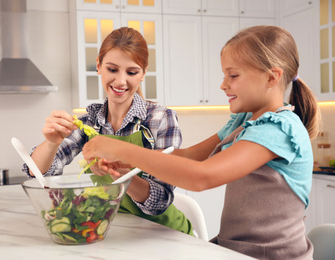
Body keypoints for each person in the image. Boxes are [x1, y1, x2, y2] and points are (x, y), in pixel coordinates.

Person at [82, 25, 321, 259]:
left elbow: (201, 177)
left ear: (272, 77)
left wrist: (118, 147)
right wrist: (126, 163)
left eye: (233, 75)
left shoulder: (277, 129)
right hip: (234, 250)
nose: (223, 84)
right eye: (224, 75)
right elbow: (188, 156)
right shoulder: (244, 120)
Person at [22, 27, 194, 236]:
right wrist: (51, 143)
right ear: (99, 66)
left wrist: (121, 176)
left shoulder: (160, 119)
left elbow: (161, 201)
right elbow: (38, 172)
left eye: (131, 72)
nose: (121, 81)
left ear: (143, 73)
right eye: (112, 69)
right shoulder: (90, 122)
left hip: (163, 235)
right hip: (112, 231)